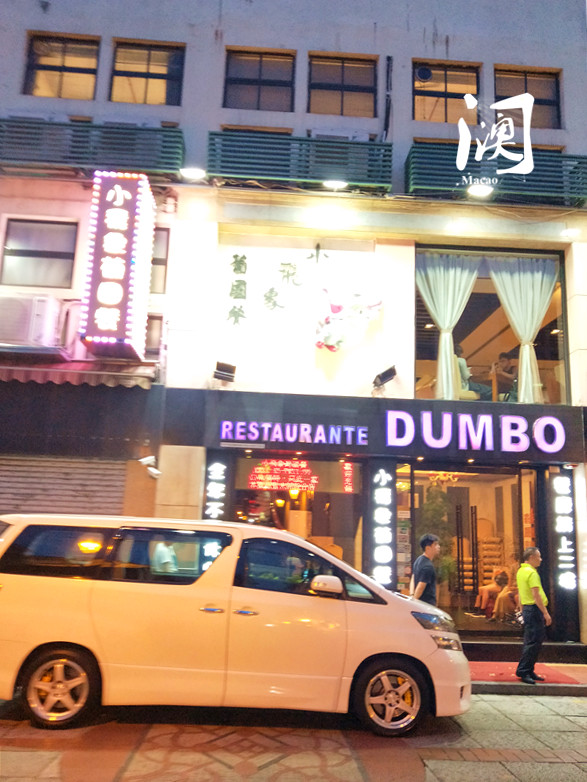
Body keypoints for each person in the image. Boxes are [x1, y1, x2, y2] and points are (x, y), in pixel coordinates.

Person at [515, 547, 551, 684]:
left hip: (528, 609)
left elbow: (520, 592)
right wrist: (546, 613)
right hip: (534, 610)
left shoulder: (521, 571)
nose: (540, 559)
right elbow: (536, 595)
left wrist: (521, 609)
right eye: (538, 557)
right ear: (531, 557)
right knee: (534, 642)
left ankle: (529, 669)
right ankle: (524, 670)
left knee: (531, 641)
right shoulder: (532, 573)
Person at [411, 533, 440, 606]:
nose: (438, 547)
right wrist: (413, 603)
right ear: (428, 548)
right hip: (426, 605)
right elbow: (421, 586)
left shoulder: (418, 560)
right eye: (435, 544)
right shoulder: (428, 566)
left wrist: (411, 595)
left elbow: (413, 578)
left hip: (420, 604)